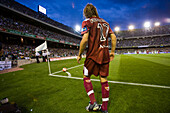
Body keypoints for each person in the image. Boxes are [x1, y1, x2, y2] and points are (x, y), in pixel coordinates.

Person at [77, 3, 116, 113]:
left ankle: (93, 103)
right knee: (104, 79)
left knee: (86, 76)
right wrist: (112, 51)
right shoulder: (106, 23)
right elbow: (113, 37)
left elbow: (84, 40)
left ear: (86, 13)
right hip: (104, 55)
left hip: (92, 55)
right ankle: (104, 108)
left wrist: (79, 54)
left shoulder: (87, 22)